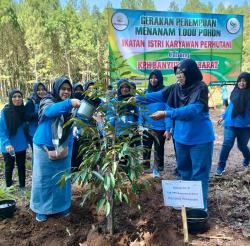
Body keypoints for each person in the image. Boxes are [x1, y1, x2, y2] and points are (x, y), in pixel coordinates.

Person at [135, 59, 214, 210]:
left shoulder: (200, 88)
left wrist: (166, 113)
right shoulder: (176, 88)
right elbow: (156, 95)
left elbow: (192, 111)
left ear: (190, 73)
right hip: (181, 138)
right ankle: (188, 201)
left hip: (200, 139)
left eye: (181, 73)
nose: (179, 76)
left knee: (199, 174)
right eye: (177, 73)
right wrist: (135, 98)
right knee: (185, 170)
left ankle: (199, 208)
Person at [30, 76, 80, 222]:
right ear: (57, 89)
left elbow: (70, 127)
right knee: (43, 180)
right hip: (43, 146)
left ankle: (62, 206)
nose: (66, 92)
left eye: (68, 90)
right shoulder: (47, 100)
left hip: (63, 145)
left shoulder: (71, 108)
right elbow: (50, 112)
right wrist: (69, 102)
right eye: (63, 89)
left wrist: (66, 148)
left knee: (62, 178)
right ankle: (41, 209)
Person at [138, 69, 172, 177]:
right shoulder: (145, 93)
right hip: (147, 127)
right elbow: (141, 110)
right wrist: (140, 124)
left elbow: (168, 111)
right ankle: (145, 167)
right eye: (151, 78)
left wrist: (168, 128)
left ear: (160, 78)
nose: (153, 80)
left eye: (155, 77)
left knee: (159, 149)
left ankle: (158, 169)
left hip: (160, 127)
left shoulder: (165, 93)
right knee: (146, 148)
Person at [216, 72, 250, 176]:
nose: (241, 83)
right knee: (226, 145)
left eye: (244, 81)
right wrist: (222, 116)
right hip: (230, 123)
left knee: (242, 146)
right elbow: (230, 107)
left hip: (245, 126)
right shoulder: (234, 92)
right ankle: (220, 167)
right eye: (240, 81)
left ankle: (247, 157)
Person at [0, 89, 28, 188]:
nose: (17, 98)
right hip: (8, 144)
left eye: (19, 96)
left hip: (21, 144)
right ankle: (8, 187)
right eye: (14, 96)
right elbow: (1, 130)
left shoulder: (24, 111)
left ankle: (22, 186)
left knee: (21, 166)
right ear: (10, 98)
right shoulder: (5, 112)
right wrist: (7, 143)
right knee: (9, 166)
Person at [25, 82, 47, 149]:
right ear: (35, 91)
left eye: (43, 89)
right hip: (34, 132)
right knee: (36, 152)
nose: (41, 92)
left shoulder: (47, 100)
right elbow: (26, 116)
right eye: (39, 90)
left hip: (45, 132)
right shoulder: (31, 102)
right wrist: (39, 113)